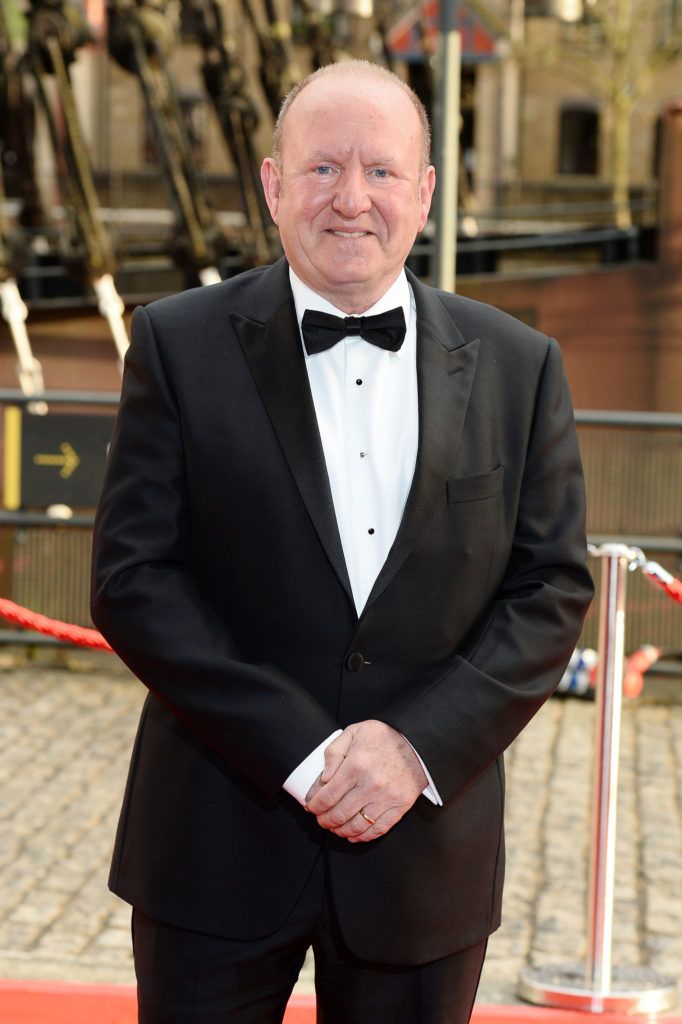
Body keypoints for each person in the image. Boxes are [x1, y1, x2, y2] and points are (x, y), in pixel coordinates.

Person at [91, 60, 594, 1024]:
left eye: (380, 171)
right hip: (214, 845)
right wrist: (301, 751)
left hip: (425, 861)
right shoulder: (173, 343)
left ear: (426, 192)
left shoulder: (521, 367)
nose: (351, 199)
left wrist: (414, 749)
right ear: (275, 186)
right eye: (321, 169)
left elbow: (551, 588)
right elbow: (131, 579)